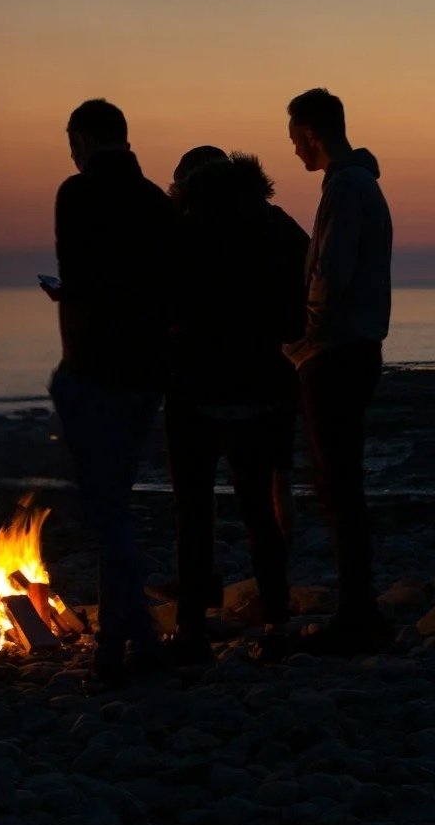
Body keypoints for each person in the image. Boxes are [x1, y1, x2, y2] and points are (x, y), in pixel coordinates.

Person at [47, 99, 177, 682]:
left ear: (84, 137)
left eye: (71, 139)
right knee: (113, 505)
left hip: (93, 365)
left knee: (109, 514)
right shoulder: (155, 202)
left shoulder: (76, 194)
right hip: (146, 371)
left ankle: (132, 643)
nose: (69, 151)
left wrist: (67, 296)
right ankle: (122, 641)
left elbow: (78, 277)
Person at [165, 148, 309, 662]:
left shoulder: (182, 231)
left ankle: (192, 628)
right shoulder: (275, 227)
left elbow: (161, 304)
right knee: (258, 512)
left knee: (194, 511)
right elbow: (302, 305)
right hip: (262, 385)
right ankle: (274, 620)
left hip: (194, 386)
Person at [285, 88, 395, 654]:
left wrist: (308, 333)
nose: (294, 152)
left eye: (294, 140)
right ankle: (358, 607)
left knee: (338, 484)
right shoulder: (357, 185)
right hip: (350, 347)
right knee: (339, 482)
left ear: (310, 134)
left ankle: (357, 613)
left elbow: (331, 270)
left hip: (338, 352)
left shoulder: (348, 188)